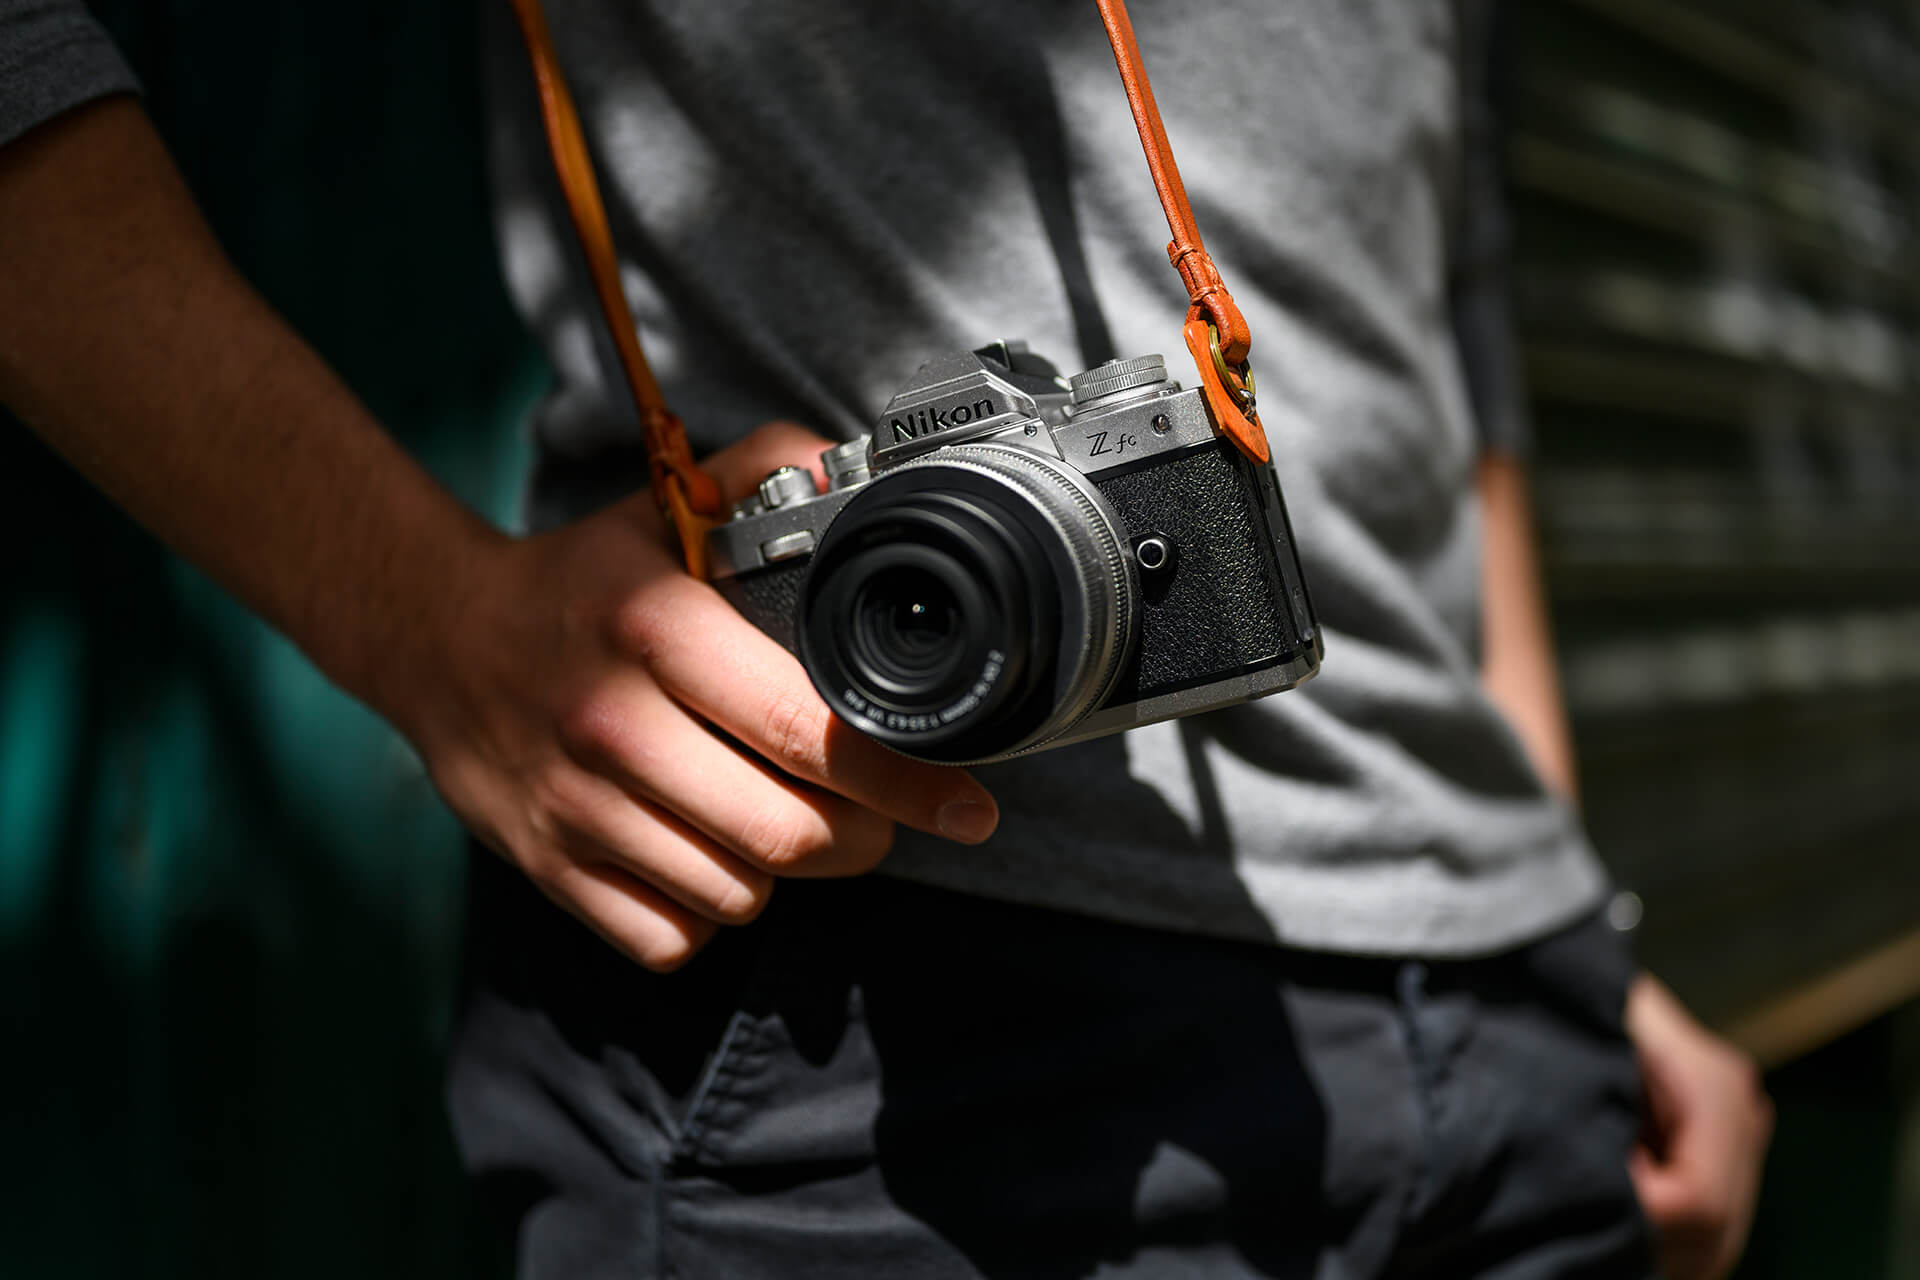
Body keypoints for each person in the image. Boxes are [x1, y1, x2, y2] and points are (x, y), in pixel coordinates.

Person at [0, 1, 1771, 1276]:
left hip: (1527, 1021)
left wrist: (1562, 894)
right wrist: (423, 620)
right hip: (880, 1029)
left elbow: (1434, 302)